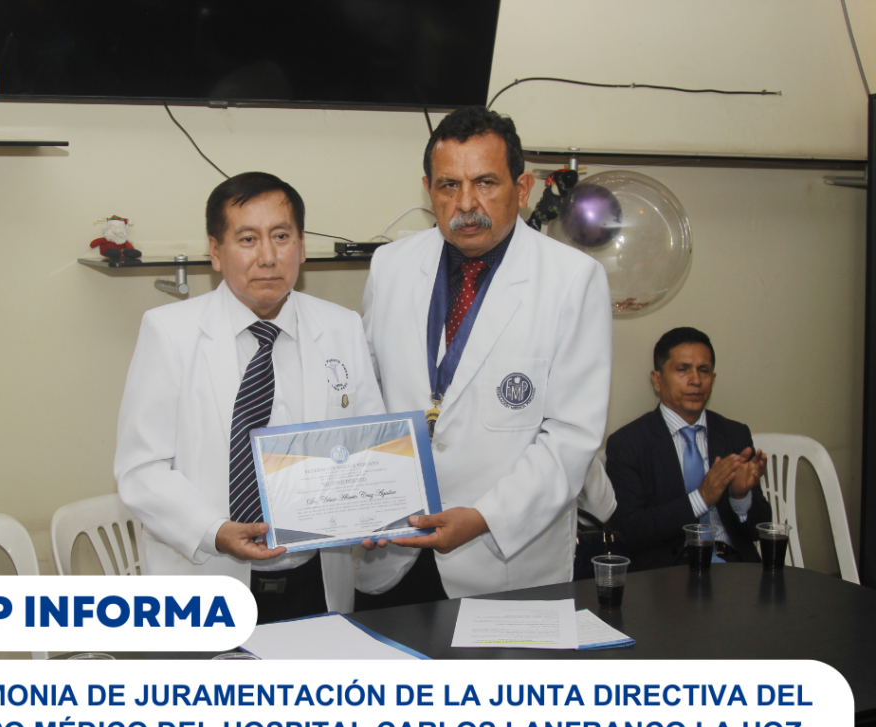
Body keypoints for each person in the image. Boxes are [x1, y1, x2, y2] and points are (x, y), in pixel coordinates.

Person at [356, 106, 613, 606]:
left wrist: (483, 518)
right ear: (428, 189)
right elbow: (368, 396)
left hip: (502, 557)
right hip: (391, 552)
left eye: (486, 183)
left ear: (523, 187)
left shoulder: (572, 280)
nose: (466, 203)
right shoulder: (390, 266)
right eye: (448, 185)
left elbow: (571, 437)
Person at [115, 172, 385, 622]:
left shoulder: (343, 326)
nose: (267, 257)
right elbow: (140, 470)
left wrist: (377, 509)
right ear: (215, 251)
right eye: (247, 239)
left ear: (301, 246)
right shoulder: (169, 332)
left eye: (281, 236)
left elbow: (370, 444)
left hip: (317, 581)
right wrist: (215, 531)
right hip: (207, 577)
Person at [605, 327, 771, 571]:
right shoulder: (628, 443)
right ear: (657, 379)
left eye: (704, 370)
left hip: (734, 569)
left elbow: (760, 529)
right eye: (683, 369)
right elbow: (628, 531)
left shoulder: (735, 435)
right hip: (667, 577)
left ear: (713, 378)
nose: (696, 380)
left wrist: (740, 497)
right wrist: (701, 498)